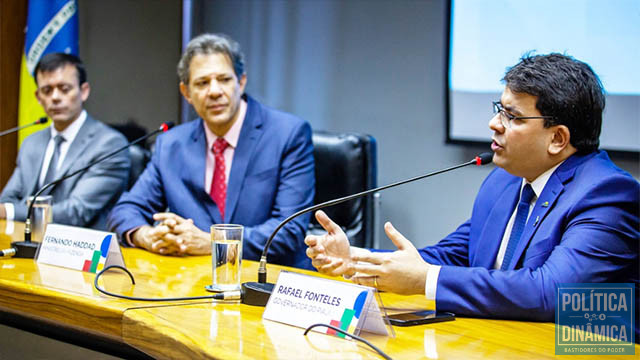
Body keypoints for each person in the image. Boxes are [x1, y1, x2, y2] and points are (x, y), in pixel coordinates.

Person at [305, 53, 639, 326]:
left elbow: (550, 294)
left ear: (558, 139)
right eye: (499, 110)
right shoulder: (504, 180)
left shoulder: (607, 195)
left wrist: (425, 281)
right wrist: (358, 260)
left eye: (513, 117)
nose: (495, 124)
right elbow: (454, 256)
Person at [107, 33, 315, 269]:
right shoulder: (171, 144)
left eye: (224, 79)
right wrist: (146, 236)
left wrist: (213, 243)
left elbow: (289, 232)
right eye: (202, 83)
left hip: (264, 282)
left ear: (241, 81)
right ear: (186, 92)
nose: (214, 91)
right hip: (190, 280)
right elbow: (126, 209)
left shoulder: (288, 134)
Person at [0, 53, 130, 230]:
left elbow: (76, 212)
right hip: (26, 243)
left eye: (64, 88)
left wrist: (12, 212)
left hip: (81, 249)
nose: (55, 97)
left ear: (84, 91)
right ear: (38, 97)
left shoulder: (109, 144)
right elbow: (7, 199)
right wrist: (9, 209)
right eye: (47, 90)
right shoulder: (32, 143)